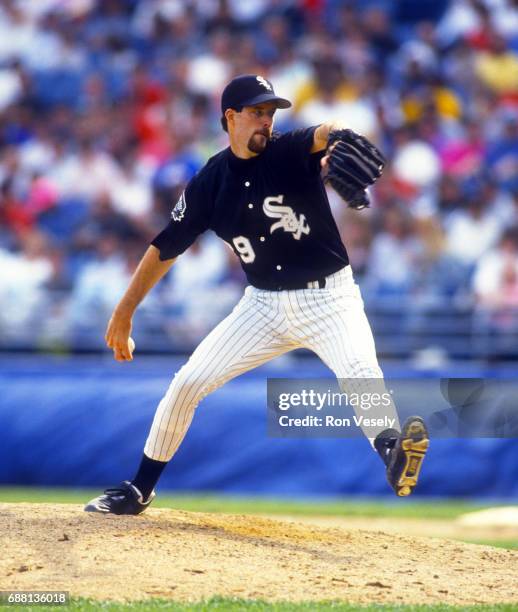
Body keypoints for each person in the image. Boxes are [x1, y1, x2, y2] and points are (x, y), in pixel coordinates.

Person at [84, 75, 429, 515]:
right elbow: (166, 244)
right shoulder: (211, 182)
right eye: (257, 113)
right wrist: (124, 313)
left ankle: (393, 451)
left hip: (330, 301)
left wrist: (342, 133)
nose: (267, 121)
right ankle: (139, 490)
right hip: (262, 306)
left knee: (361, 370)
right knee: (187, 383)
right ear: (231, 117)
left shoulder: (287, 152)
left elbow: (323, 131)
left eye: (271, 113)